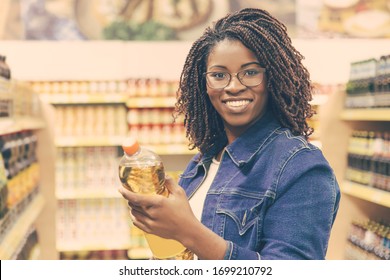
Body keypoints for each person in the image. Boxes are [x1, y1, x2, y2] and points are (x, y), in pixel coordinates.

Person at [119, 7, 340, 260]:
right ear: (204, 84)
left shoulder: (302, 167)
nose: (234, 86)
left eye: (250, 72)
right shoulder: (201, 164)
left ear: (273, 78)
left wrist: (188, 231)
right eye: (219, 75)